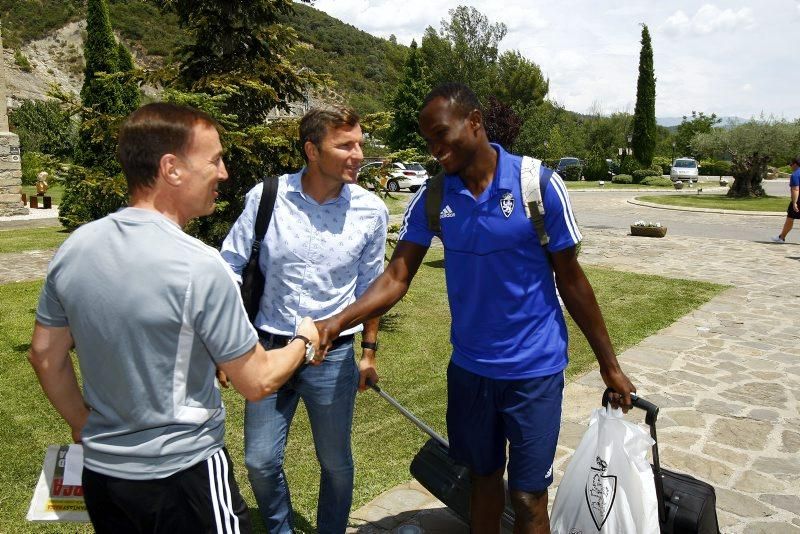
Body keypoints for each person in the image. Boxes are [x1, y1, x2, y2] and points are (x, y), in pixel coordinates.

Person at [316, 83, 636, 534]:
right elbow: (396, 277)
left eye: (441, 135)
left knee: (527, 497)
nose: (435, 149)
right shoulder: (433, 196)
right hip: (470, 372)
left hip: (533, 371)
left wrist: (609, 365)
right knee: (482, 482)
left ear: (475, 123)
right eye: (428, 140)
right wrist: (336, 323)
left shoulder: (537, 184)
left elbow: (573, 280)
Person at [27, 102, 319, 533]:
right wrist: (304, 341)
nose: (223, 173)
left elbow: (45, 355)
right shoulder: (200, 264)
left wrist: (81, 423)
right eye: (215, 159)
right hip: (187, 477)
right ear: (172, 168)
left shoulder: (75, 249)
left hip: (105, 477)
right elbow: (256, 381)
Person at [220, 105, 388, 533]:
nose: (357, 154)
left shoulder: (369, 211)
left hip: (331, 356)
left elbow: (373, 289)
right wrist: (225, 342)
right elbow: (229, 265)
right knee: (259, 460)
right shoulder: (268, 196)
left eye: (360, 145)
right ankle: (279, 529)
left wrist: (368, 353)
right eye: (345, 145)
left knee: (334, 461)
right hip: (267, 348)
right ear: (312, 150)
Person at [772, 156, 800, 243]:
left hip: (799, 200)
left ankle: (781, 238)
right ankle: (781, 237)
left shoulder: (796, 174)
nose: (790, 166)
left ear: (795, 164)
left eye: (791, 164)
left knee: (790, 218)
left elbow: (795, 189)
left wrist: (795, 202)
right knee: (790, 218)